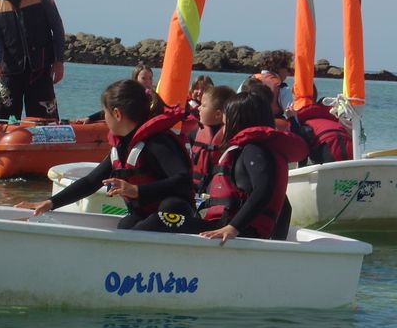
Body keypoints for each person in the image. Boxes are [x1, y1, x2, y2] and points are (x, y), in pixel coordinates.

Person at [130, 91, 308, 245]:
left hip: (233, 232)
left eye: (226, 121)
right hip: (229, 229)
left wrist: (233, 228)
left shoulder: (254, 150)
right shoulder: (259, 150)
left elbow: (264, 190)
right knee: (139, 220)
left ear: (238, 120)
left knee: (158, 221)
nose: (225, 127)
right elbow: (285, 207)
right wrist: (277, 244)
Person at [15, 79, 194, 229]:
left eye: (105, 113)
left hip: (176, 215)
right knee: (125, 226)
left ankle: (203, 228)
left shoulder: (158, 143)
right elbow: (91, 182)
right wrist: (50, 203)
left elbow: (183, 181)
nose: (104, 119)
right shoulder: (121, 148)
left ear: (117, 114)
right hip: (144, 215)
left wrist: (136, 190)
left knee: (164, 210)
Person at [188, 85, 236, 192]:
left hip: (218, 189)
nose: (199, 108)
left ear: (218, 114)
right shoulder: (193, 133)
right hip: (194, 188)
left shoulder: (231, 137)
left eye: (204, 105)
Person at [80, 64, 159, 123]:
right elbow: (112, 111)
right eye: (143, 78)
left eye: (150, 78)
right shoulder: (130, 96)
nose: (148, 81)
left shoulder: (155, 97)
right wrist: (90, 118)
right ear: (135, 79)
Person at [296, 86, 353, 164]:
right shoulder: (332, 117)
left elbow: (302, 148)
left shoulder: (305, 123)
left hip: (328, 145)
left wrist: (301, 165)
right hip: (348, 144)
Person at [239, 50, 294, 119]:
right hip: (269, 123)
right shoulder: (282, 87)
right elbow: (290, 114)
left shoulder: (247, 81)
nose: (288, 74)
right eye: (288, 69)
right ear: (279, 69)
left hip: (245, 122)